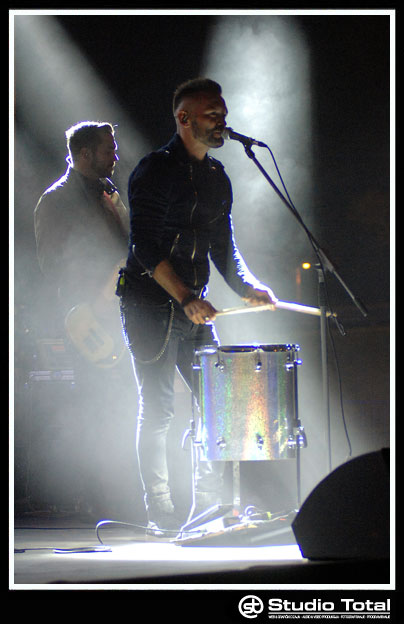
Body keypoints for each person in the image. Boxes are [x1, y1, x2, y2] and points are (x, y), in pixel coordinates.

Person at [118, 78, 277, 536]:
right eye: (212, 113)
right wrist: (186, 296)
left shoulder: (216, 177)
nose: (221, 120)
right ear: (184, 118)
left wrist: (248, 286)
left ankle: (210, 507)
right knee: (159, 408)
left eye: (222, 113)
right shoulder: (154, 170)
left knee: (216, 407)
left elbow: (224, 247)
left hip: (193, 308)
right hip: (150, 305)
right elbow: (145, 247)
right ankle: (160, 511)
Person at [34, 121, 130, 517]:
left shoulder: (107, 193)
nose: (116, 155)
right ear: (85, 154)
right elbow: (51, 266)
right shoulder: (56, 200)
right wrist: (97, 292)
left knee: (123, 404)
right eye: (109, 149)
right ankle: (99, 500)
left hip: (118, 313)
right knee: (97, 407)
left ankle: (123, 495)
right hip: (87, 320)